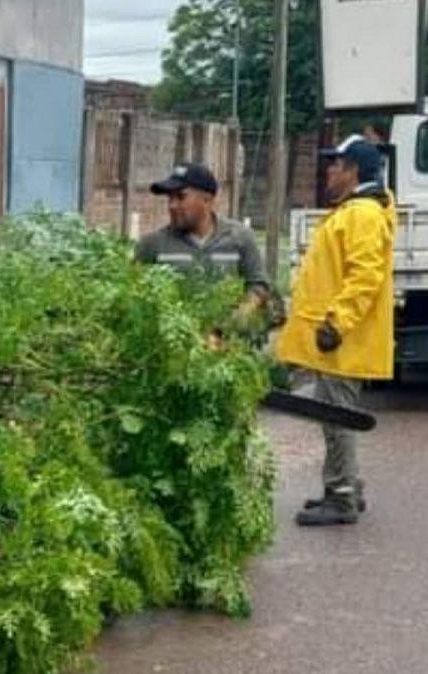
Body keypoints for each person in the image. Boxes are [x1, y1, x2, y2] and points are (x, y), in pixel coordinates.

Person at [276, 134, 396, 526]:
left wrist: (337, 323)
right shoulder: (356, 210)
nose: (329, 170)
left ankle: (341, 496)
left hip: (343, 340)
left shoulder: (362, 214)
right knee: (333, 417)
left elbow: (365, 276)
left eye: (335, 164)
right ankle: (343, 487)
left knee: (338, 418)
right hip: (339, 338)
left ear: (353, 170)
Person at [135, 163, 272, 330]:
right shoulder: (153, 245)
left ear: (207, 200)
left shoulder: (240, 238)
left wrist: (231, 325)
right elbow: (136, 294)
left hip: (230, 347)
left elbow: (258, 286)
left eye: (181, 197)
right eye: (170, 198)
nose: (172, 205)